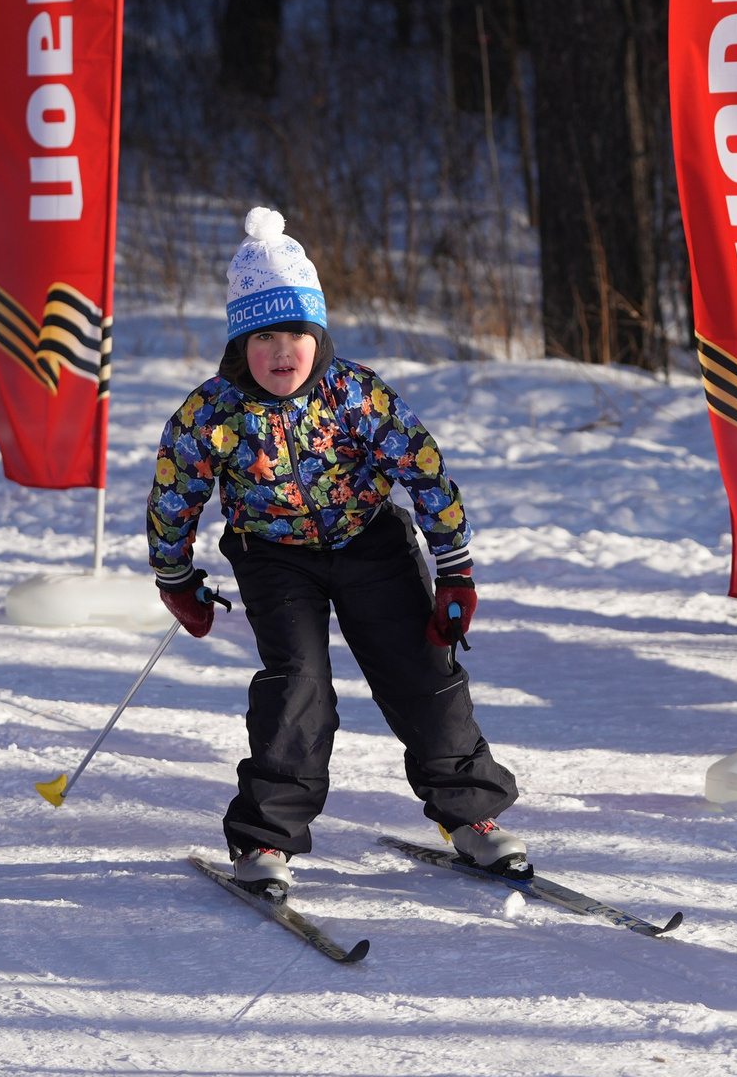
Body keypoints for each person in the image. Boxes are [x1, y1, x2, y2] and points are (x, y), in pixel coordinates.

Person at [147, 208, 521, 892]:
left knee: (420, 671)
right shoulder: (213, 413)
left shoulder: (356, 394)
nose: (281, 351)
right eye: (263, 336)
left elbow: (424, 470)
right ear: (239, 344)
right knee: (298, 687)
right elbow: (175, 492)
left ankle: (471, 813)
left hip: (369, 540)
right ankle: (265, 835)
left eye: (296, 332)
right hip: (272, 554)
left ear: (318, 335)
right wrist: (175, 576)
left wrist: (454, 570)